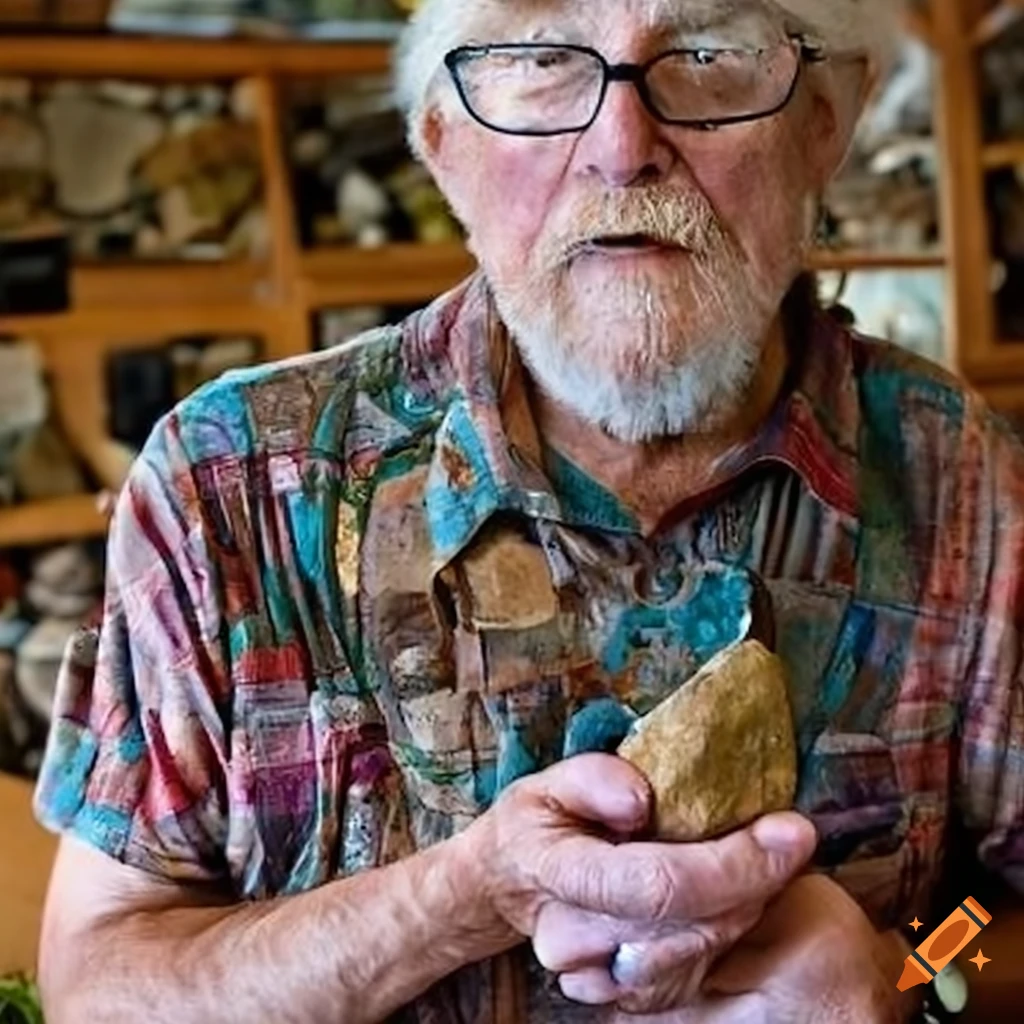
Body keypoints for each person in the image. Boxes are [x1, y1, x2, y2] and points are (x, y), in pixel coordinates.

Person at [32, 0, 1024, 1021]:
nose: (621, 146)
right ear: (442, 142)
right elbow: (96, 987)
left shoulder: (970, 484)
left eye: (711, 53)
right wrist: (460, 898)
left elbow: (999, 927)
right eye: (540, 59)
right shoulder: (230, 485)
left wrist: (914, 976)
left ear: (826, 121)